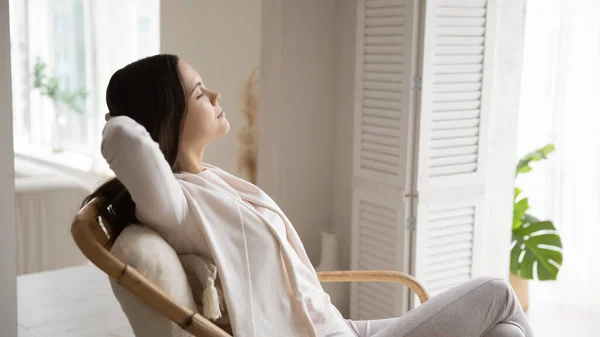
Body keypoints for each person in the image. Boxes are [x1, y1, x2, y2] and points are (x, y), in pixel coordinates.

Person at [83, 54, 534, 337]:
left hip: (341, 327)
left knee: (506, 332)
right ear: (167, 119)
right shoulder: (173, 204)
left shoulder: (210, 181)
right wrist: (119, 117)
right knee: (498, 293)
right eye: (199, 93)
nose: (216, 94)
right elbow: (124, 139)